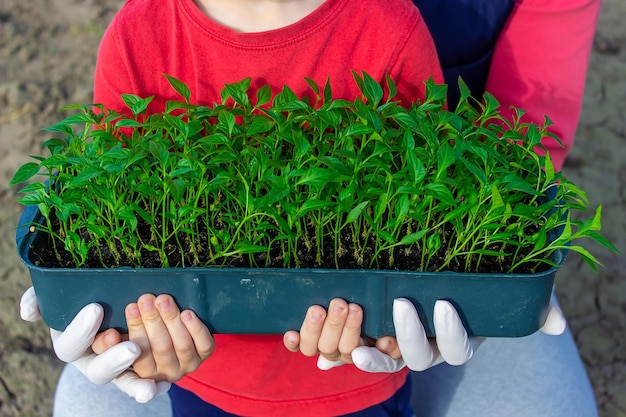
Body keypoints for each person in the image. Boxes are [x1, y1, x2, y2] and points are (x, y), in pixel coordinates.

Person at [18, 0, 601, 416]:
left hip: (355, 379)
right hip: (203, 370)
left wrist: (488, 274)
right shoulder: (139, 34)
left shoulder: (390, 27)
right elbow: (107, 180)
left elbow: (434, 189)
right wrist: (98, 306)